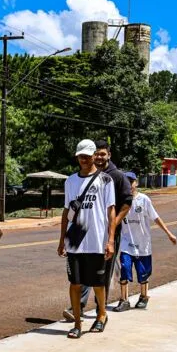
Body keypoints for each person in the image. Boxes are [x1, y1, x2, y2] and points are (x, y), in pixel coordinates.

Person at [62, 139, 133, 320]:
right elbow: (67, 210)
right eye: (98, 153)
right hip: (80, 233)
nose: (99, 157)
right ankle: (78, 307)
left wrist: (113, 225)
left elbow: (126, 203)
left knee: (101, 276)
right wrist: (63, 239)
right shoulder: (74, 179)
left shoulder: (115, 177)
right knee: (79, 276)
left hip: (106, 233)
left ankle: (100, 311)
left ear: (108, 155)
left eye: (103, 154)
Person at [57, 139, 116, 338]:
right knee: (75, 283)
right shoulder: (70, 181)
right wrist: (61, 240)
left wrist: (110, 240)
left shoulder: (105, 180)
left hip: (97, 239)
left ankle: (101, 315)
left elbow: (111, 212)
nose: (83, 159)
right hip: (75, 239)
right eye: (80, 156)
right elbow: (66, 211)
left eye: (86, 156)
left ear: (93, 156)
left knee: (98, 283)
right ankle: (77, 323)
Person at [118, 171, 177, 309]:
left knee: (143, 272)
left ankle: (144, 296)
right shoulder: (120, 200)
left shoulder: (144, 200)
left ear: (136, 183)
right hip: (126, 243)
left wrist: (168, 233)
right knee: (125, 268)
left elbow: (155, 217)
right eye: (126, 182)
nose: (129, 185)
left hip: (143, 244)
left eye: (131, 182)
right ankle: (124, 300)